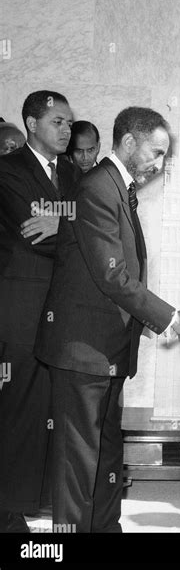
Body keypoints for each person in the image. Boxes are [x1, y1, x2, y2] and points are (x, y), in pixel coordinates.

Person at [34, 106, 180, 533]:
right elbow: (113, 276)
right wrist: (171, 320)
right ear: (129, 142)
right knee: (80, 465)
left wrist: (159, 319)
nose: (159, 163)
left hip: (105, 351)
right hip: (82, 352)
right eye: (156, 152)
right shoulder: (97, 189)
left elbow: (119, 275)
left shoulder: (116, 187)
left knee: (107, 454)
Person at [0, 90, 78, 532]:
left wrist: (63, 219)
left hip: (62, 312)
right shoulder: (7, 170)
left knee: (48, 413)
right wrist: (69, 223)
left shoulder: (73, 173)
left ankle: (32, 502)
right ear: (31, 124)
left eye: (69, 123)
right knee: (17, 415)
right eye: (57, 122)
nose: (66, 130)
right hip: (20, 313)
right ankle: (7, 514)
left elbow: (86, 226)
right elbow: (35, 228)